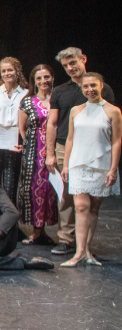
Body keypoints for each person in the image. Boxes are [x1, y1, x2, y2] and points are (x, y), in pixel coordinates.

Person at [45, 47, 115, 256]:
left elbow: (110, 122)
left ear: (83, 59)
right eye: (66, 66)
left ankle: (84, 244)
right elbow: (52, 123)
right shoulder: (59, 91)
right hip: (63, 146)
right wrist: (50, 153)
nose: (70, 68)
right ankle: (66, 239)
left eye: (73, 63)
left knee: (91, 199)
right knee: (67, 194)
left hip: (94, 149)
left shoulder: (102, 88)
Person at [60, 73, 121, 267]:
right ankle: (78, 252)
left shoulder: (113, 111)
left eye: (93, 85)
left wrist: (113, 168)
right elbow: (70, 139)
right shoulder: (76, 110)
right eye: (86, 87)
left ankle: (87, 250)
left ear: (101, 86)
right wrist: (66, 165)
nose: (90, 89)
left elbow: (117, 141)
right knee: (80, 207)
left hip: (101, 165)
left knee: (94, 207)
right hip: (79, 163)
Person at [17, 64, 58, 244]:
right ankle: (36, 229)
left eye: (46, 77)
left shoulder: (58, 98)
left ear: (52, 78)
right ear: (34, 81)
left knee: (52, 190)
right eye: (39, 78)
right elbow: (22, 129)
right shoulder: (27, 101)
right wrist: (30, 146)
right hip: (34, 151)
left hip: (56, 150)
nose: (43, 81)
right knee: (35, 189)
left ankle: (48, 230)